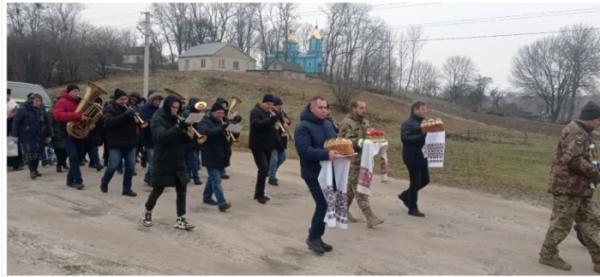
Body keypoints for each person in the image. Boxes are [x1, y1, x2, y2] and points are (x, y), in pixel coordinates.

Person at [539, 101, 600, 273]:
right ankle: (548, 254)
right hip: (568, 187)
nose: (599, 123)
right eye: (598, 119)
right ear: (590, 119)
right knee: (562, 223)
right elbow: (573, 160)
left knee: (592, 222)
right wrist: (595, 172)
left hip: (581, 188)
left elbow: (585, 156)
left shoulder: (584, 133)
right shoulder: (576, 132)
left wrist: (595, 167)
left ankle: (598, 260)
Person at [294, 96, 342, 255]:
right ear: (311, 108)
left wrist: (344, 151)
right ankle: (313, 237)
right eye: (320, 107)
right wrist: (326, 154)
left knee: (328, 204)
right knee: (323, 204)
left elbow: (334, 142)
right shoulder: (303, 127)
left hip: (329, 171)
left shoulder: (328, 124)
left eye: (325, 107)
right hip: (313, 172)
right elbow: (304, 151)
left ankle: (317, 237)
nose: (324, 110)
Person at [142, 95, 195, 230]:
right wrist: (178, 127)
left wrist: (188, 132)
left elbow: (183, 140)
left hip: (178, 157)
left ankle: (181, 218)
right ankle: (148, 212)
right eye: (173, 107)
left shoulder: (177, 118)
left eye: (177, 108)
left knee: (182, 188)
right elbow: (161, 138)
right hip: (163, 158)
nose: (175, 110)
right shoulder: (157, 118)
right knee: (158, 189)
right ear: (167, 106)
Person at [338, 100, 384, 228]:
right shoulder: (347, 122)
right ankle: (370, 217)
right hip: (352, 159)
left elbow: (370, 134)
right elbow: (345, 141)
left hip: (364, 160)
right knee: (359, 188)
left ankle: (342, 211)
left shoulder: (365, 121)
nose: (364, 110)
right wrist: (362, 142)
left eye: (365, 108)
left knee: (350, 189)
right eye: (361, 108)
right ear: (354, 108)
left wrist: (375, 138)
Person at [99, 89, 138, 197]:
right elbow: (109, 122)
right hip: (116, 143)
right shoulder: (109, 109)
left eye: (126, 99)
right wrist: (126, 115)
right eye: (121, 99)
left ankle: (127, 189)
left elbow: (137, 123)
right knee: (113, 166)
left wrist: (138, 118)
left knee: (130, 167)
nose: (124, 101)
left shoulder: (130, 109)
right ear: (116, 99)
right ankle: (105, 181)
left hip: (130, 142)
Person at [198, 101, 232, 212]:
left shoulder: (223, 121)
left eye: (222, 113)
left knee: (212, 178)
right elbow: (207, 132)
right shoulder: (204, 121)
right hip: (210, 154)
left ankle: (207, 197)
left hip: (222, 155)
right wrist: (222, 128)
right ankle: (222, 203)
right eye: (218, 113)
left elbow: (230, 137)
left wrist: (234, 130)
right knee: (216, 180)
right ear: (212, 112)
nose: (220, 115)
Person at [399, 101, 429, 217]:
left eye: (426, 109)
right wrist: (423, 136)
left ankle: (406, 196)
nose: (425, 111)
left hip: (422, 156)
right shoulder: (408, 123)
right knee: (415, 182)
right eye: (423, 109)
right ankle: (413, 208)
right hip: (412, 157)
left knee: (425, 180)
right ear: (415, 110)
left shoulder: (424, 123)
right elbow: (405, 139)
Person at [53, 84, 87, 189]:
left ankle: (69, 180)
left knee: (78, 157)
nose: (77, 93)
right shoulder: (62, 101)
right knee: (73, 156)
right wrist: (77, 116)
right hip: (68, 133)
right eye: (74, 91)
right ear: (68, 92)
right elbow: (57, 115)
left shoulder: (80, 101)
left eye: (78, 91)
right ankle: (78, 181)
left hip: (80, 133)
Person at [12, 93, 52, 179]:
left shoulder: (42, 109)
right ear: (31, 101)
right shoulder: (23, 109)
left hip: (40, 135)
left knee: (37, 154)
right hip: (27, 135)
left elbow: (47, 122)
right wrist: (15, 135)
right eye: (37, 100)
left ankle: (35, 169)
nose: (39, 102)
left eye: (40, 101)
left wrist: (49, 134)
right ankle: (32, 171)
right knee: (29, 154)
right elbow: (16, 122)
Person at [249, 94, 279, 204]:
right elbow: (257, 125)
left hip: (268, 146)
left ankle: (260, 193)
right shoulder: (255, 112)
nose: (269, 106)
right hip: (258, 146)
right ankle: (259, 195)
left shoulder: (269, 113)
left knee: (264, 170)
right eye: (267, 104)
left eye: (271, 105)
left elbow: (273, 128)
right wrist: (272, 120)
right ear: (262, 102)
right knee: (264, 168)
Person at [139, 90, 163, 185]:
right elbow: (143, 120)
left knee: (156, 160)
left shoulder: (161, 109)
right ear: (151, 100)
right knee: (153, 160)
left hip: (159, 137)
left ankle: (148, 177)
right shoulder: (144, 108)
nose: (158, 102)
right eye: (156, 100)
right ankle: (154, 181)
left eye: (160, 100)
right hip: (149, 137)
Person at [268, 97, 291, 186]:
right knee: (274, 159)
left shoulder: (282, 112)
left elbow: (288, 120)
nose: (280, 107)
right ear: (273, 105)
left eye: (281, 105)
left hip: (282, 139)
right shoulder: (271, 113)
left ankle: (270, 172)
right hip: (273, 140)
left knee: (282, 158)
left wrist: (287, 123)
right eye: (278, 106)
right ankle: (271, 177)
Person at [182, 97, 203, 185]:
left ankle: (189, 176)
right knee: (192, 160)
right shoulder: (186, 113)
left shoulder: (199, 113)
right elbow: (183, 125)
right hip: (188, 139)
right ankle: (195, 177)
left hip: (195, 139)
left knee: (192, 159)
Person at [7, 88, 24, 170]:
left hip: (11, 124)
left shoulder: (13, 103)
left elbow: (16, 112)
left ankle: (16, 163)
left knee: (13, 143)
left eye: (8, 95)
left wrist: (12, 114)